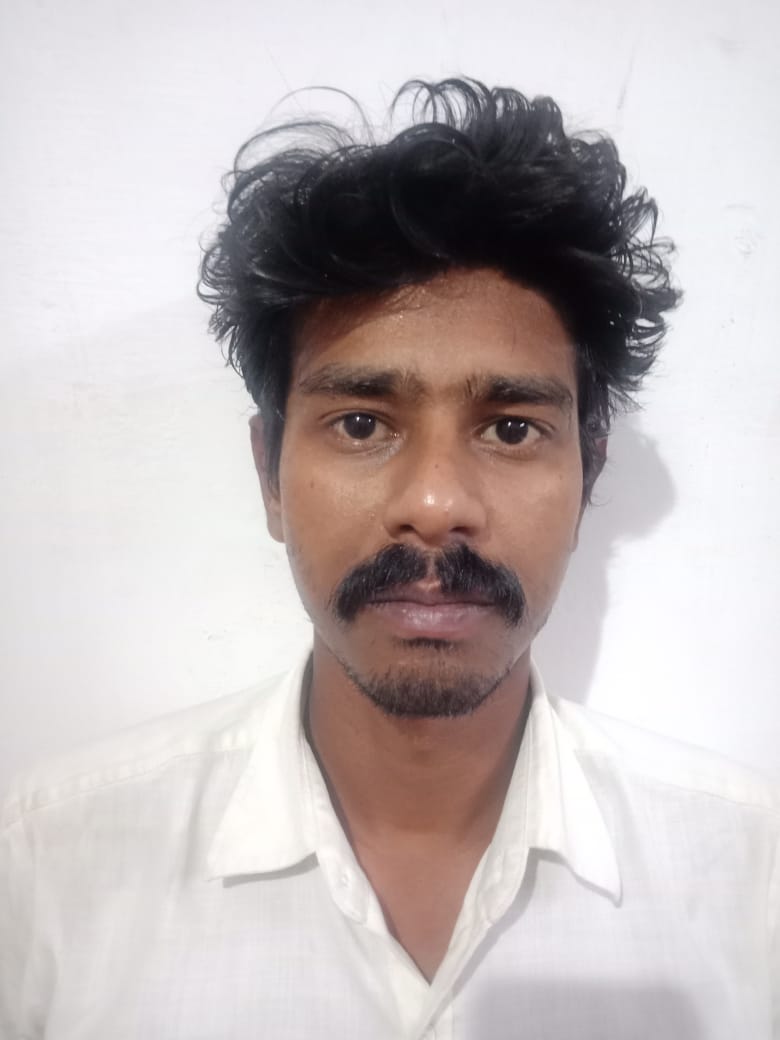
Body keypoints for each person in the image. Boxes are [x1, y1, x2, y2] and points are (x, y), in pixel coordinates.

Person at [1, 78, 777, 1039]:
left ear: (588, 477)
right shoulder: (46, 866)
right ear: (269, 475)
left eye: (511, 427)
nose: (435, 505)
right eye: (362, 423)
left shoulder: (751, 883)